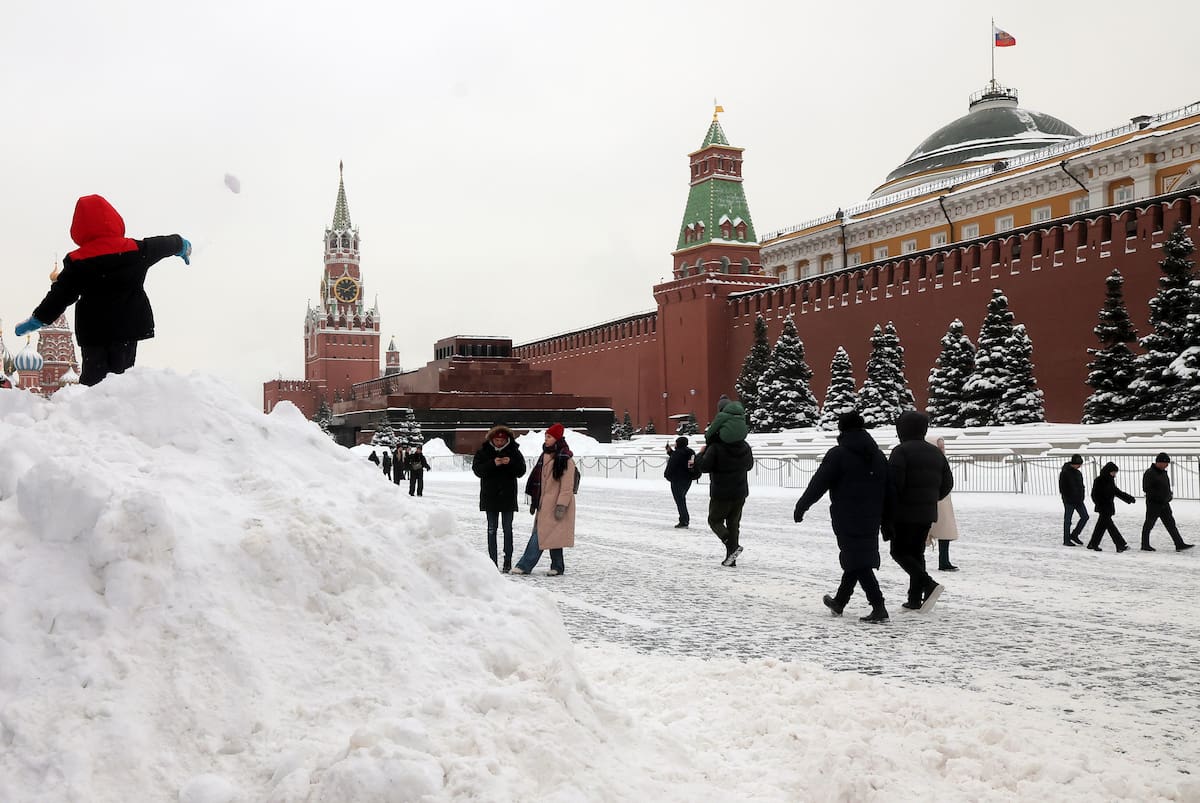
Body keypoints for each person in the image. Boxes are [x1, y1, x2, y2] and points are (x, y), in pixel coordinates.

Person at [13, 194, 191, 386]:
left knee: (93, 381)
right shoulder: (137, 249)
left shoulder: (78, 261)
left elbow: (60, 296)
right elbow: (166, 244)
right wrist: (182, 246)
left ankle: (90, 413)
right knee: (121, 380)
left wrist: (37, 319)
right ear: (116, 221)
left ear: (78, 229)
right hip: (128, 326)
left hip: (94, 331)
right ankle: (119, 411)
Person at [794, 411, 892, 623]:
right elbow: (888, 488)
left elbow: (818, 484)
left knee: (858, 560)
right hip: (872, 515)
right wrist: (886, 518)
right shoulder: (877, 455)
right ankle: (840, 601)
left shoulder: (838, 454)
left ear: (841, 429)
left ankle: (878, 605)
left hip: (847, 515)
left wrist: (802, 506)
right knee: (856, 557)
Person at [886, 411, 954, 612]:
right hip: (927, 512)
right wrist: (931, 498)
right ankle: (914, 598)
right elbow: (948, 483)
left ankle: (928, 584)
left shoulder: (901, 451)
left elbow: (894, 484)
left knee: (898, 551)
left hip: (904, 512)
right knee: (916, 553)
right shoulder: (935, 453)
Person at [511, 424, 576, 576]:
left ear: (557, 439)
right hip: (544, 503)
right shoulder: (545, 455)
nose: (546, 440)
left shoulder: (565, 458)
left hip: (556, 504)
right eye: (545, 437)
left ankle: (524, 565)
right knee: (553, 534)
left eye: (549, 437)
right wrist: (536, 500)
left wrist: (561, 505)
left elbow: (567, 486)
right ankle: (558, 566)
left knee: (540, 535)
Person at [698, 416, 755, 567]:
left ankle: (730, 544)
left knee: (714, 520)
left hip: (721, 492)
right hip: (740, 491)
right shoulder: (745, 446)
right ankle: (731, 559)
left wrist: (700, 454)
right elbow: (749, 465)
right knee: (734, 524)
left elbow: (704, 467)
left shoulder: (715, 447)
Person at [472, 424, 527, 572]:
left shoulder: (514, 451)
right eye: (497, 440)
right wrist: (492, 464)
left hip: (508, 497)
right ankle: (492, 562)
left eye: (502, 440)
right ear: (492, 439)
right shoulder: (484, 451)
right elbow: (477, 470)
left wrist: (510, 463)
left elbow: (521, 470)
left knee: (507, 529)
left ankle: (507, 560)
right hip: (490, 497)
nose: (499, 443)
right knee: (491, 530)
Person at [1141, 453, 1194, 552]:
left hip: (1164, 503)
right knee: (1149, 524)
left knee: (1171, 524)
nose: (1167, 465)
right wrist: (1159, 497)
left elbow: (1166, 487)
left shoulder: (1163, 473)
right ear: (1159, 462)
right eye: (1166, 463)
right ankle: (1145, 544)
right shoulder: (1150, 473)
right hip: (1154, 504)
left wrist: (1168, 495)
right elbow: (1146, 488)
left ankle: (1179, 544)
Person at [927, 435, 960, 571]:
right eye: (939, 447)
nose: (942, 449)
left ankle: (944, 561)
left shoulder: (941, 460)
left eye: (943, 447)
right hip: (932, 500)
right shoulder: (929, 461)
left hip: (943, 500)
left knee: (945, 532)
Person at [1086, 462, 1135, 552]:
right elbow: (1094, 495)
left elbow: (1116, 492)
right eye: (1114, 472)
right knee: (1111, 527)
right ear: (1108, 471)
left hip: (1108, 507)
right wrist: (1099, 504)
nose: (1115, 475)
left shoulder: (1110, 480)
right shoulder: (1099, 480)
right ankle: (1120, 544)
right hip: (1103, 508)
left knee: (1101, 527)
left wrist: (1129, 498)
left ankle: (1093, 544)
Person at [664, 436, 696, 528]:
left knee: (680, 500)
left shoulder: (677, 453)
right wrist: (670, 452)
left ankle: (684, 520)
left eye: (676, 442)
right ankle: (684, 519)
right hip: (687, 479)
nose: (675, 444)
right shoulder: (690, 452)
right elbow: (683, 460)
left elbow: (673, 464)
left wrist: (667, 475)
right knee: (682, 498)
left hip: (677, 479)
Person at [1058, 454, 1088, 547]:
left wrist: (1081, 496)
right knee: (1068, 520)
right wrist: (1068, 498)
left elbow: (1081, 486)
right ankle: (1066, 539)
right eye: (1078, 464)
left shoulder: (1078, 473)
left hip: (1078, 500)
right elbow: (1062, 488)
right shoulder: (1065, 472)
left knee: (1085, 517)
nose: (1079, 466)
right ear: (1074, 463)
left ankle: (1074, 535)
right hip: (1069, 500)